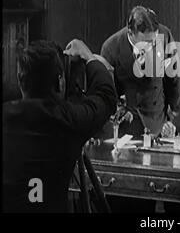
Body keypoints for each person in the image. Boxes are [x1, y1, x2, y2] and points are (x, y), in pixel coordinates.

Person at [3, 39, 117, 213]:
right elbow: (106, 96)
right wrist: (88, 56)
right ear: (59, 82)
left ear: (21, 81)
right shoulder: (69, 119)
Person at [100, 6, 180, 139]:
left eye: (153, 41)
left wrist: (171, 116)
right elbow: (108, 93)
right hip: (127, 127)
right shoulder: (111, 48)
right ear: (130, 33)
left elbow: (174, 79)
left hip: (157, 121)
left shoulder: (165, 35)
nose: (150, 46)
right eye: (145, 42)